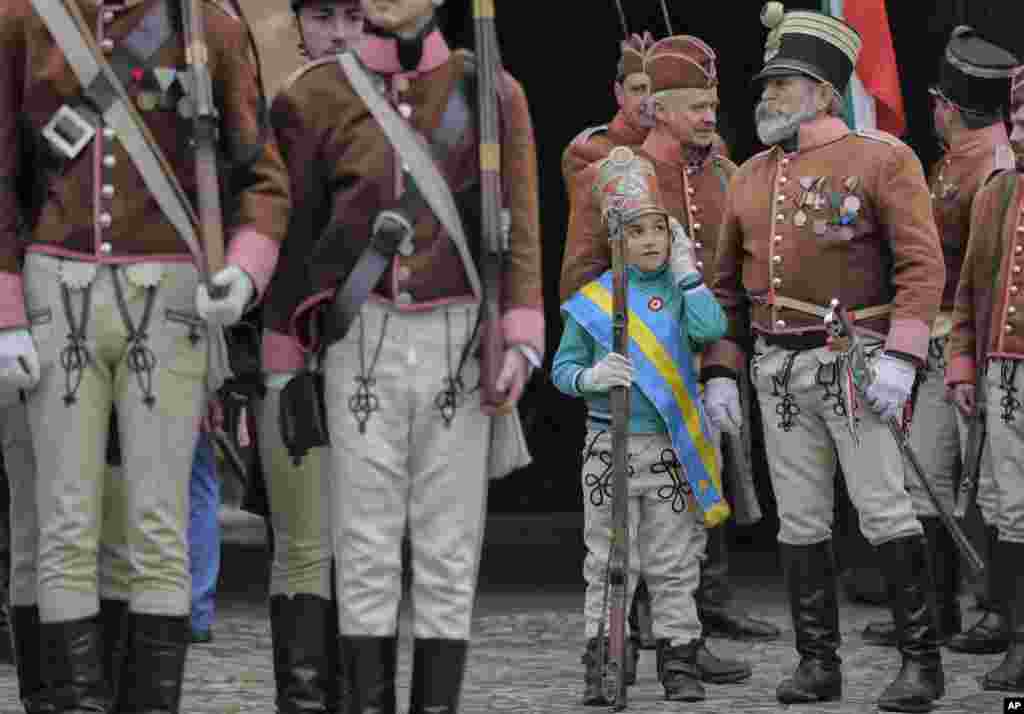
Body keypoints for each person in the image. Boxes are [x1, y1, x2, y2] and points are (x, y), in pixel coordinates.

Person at [0, 1, 290, 711]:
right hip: (53, 289)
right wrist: (5, 315)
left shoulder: (210, 26)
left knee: (157, 526)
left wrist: (247, 268)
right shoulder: (21, 19)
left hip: (173, 295)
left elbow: (261, 175)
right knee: (64, 522)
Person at [266, 0, 543, 710]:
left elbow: (521, 224)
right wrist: (284, 362)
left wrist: (520, 336)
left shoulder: (495, 92)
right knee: (363, 552)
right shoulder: (314, 95)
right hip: (360, 343)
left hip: (459, 340)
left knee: (450, 556)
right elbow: (294, 238)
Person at [703, 4, 947, 711]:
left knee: (884, 512)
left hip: (855, 364)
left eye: (786, 83)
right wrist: (722, 365)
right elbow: (724, 288)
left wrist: (903, 356)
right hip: (777, 372)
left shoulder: (883, 159)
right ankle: (819, 665)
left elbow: (921, 266)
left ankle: (922, 664)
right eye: (769, 84)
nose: (769, 95)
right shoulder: (748, 175)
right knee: (800, 522)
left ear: (826, 92)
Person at [561, 30, 778, 670]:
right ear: (657, 107)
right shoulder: (613, 175)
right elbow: (580, 280)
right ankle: (616, 647)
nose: (711, 116)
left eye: (713, 104)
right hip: (633, 381)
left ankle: (685, 640)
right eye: (695, 105)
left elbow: (734, 287)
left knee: (684, 524)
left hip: (700, 380)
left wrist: (720, 371)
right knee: (617, 532)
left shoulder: (729, 176)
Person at [555, 146, 750, 703]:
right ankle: (606, 664)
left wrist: (688, 276)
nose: (647, 241)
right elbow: (562, 369)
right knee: (611, 564)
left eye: (657, 230)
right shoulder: (591, 302)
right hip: (607, 447)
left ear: (672, 236)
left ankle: (680, 664)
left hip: (668, 448)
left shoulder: (682, 291)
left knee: (672, 563)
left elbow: (713, 326)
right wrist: (590, 376)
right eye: (635, 231)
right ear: (616, 237)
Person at [862, 26, 1019, 650]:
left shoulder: (997, 169)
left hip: (975, 349)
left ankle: (1001, 614)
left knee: (994, 485)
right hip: (937, 344)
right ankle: (936, 611)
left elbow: (988, 276)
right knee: (926, 476)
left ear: (948, 108)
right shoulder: (956, 162)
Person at [258, 0, 365, 710]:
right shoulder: (286, 109)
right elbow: (270, 238)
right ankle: (302, 701)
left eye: (353, 15)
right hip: (294, 346)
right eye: (322, 14)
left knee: (367, 545)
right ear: (298, 24)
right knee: (301, 539)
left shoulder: (416, 117)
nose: (338, 32)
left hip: (385, 353)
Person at [946, 65, 1024, 691]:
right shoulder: (997, 193)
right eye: (1017, 116)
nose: (1021, 127)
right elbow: (972, 293)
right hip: (1003, 374)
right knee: (1008, 506)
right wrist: (965, 365)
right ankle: (1014, 637)